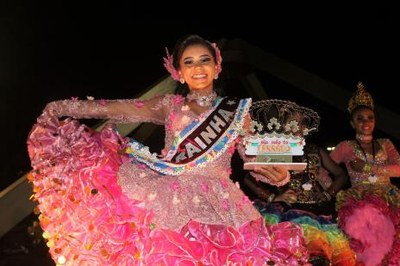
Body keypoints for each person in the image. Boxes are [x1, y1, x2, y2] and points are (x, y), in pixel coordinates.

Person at [27, 34, 310, 265]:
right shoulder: (169, 105)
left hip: (221, 205)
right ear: (180, 72)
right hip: (170, 199)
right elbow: (115, 107)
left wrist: (279, 173)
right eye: (189, 62)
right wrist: (62, 106)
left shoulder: (237, 111)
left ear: (216, 66)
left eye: (204, 60)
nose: (198, 67)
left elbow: (253, 156)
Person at [242, 100, 356, 265]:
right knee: (288, 257)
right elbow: (250, 177)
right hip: (288, 211)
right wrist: (272, 197)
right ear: (283, 125)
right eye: (293, 122)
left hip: (319, 213)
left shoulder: (315, 150)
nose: (299, 126)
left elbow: (340, 175)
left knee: (319, 258)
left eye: (302, 122)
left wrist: (328, 193)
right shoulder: (277, 149)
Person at [329, 82, 400, 266]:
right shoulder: (345, 146)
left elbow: (399, 169)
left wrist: (368, 168)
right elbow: (321, 169)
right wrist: (331, 190)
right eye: (360, 118)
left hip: (390, 201)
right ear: (352, 123)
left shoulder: (386, 144)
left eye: (370, 117)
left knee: (393, 250)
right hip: (361, 204)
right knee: (366, 252)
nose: (366, 122)